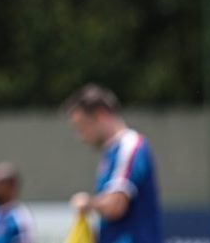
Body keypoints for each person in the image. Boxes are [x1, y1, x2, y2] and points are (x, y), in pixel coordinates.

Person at [64, 84, 162, 243]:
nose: (81, 136)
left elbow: (116, 206)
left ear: (101, 115)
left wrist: (87, 203)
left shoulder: (129, 146)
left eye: (82, 126)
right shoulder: (111, 152)